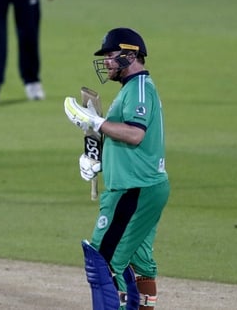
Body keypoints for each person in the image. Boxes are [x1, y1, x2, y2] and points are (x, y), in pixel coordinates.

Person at [63, 27, 170, 310]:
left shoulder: (139, 88)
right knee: (138, 262)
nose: (107, 61)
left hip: (134, 189)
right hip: (140, 185)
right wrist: (98, 162)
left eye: (111, 55)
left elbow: (135, 134)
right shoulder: (131, 90)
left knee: (104, 263)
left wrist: (95, 123)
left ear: (130, 55)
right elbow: (126, 141)